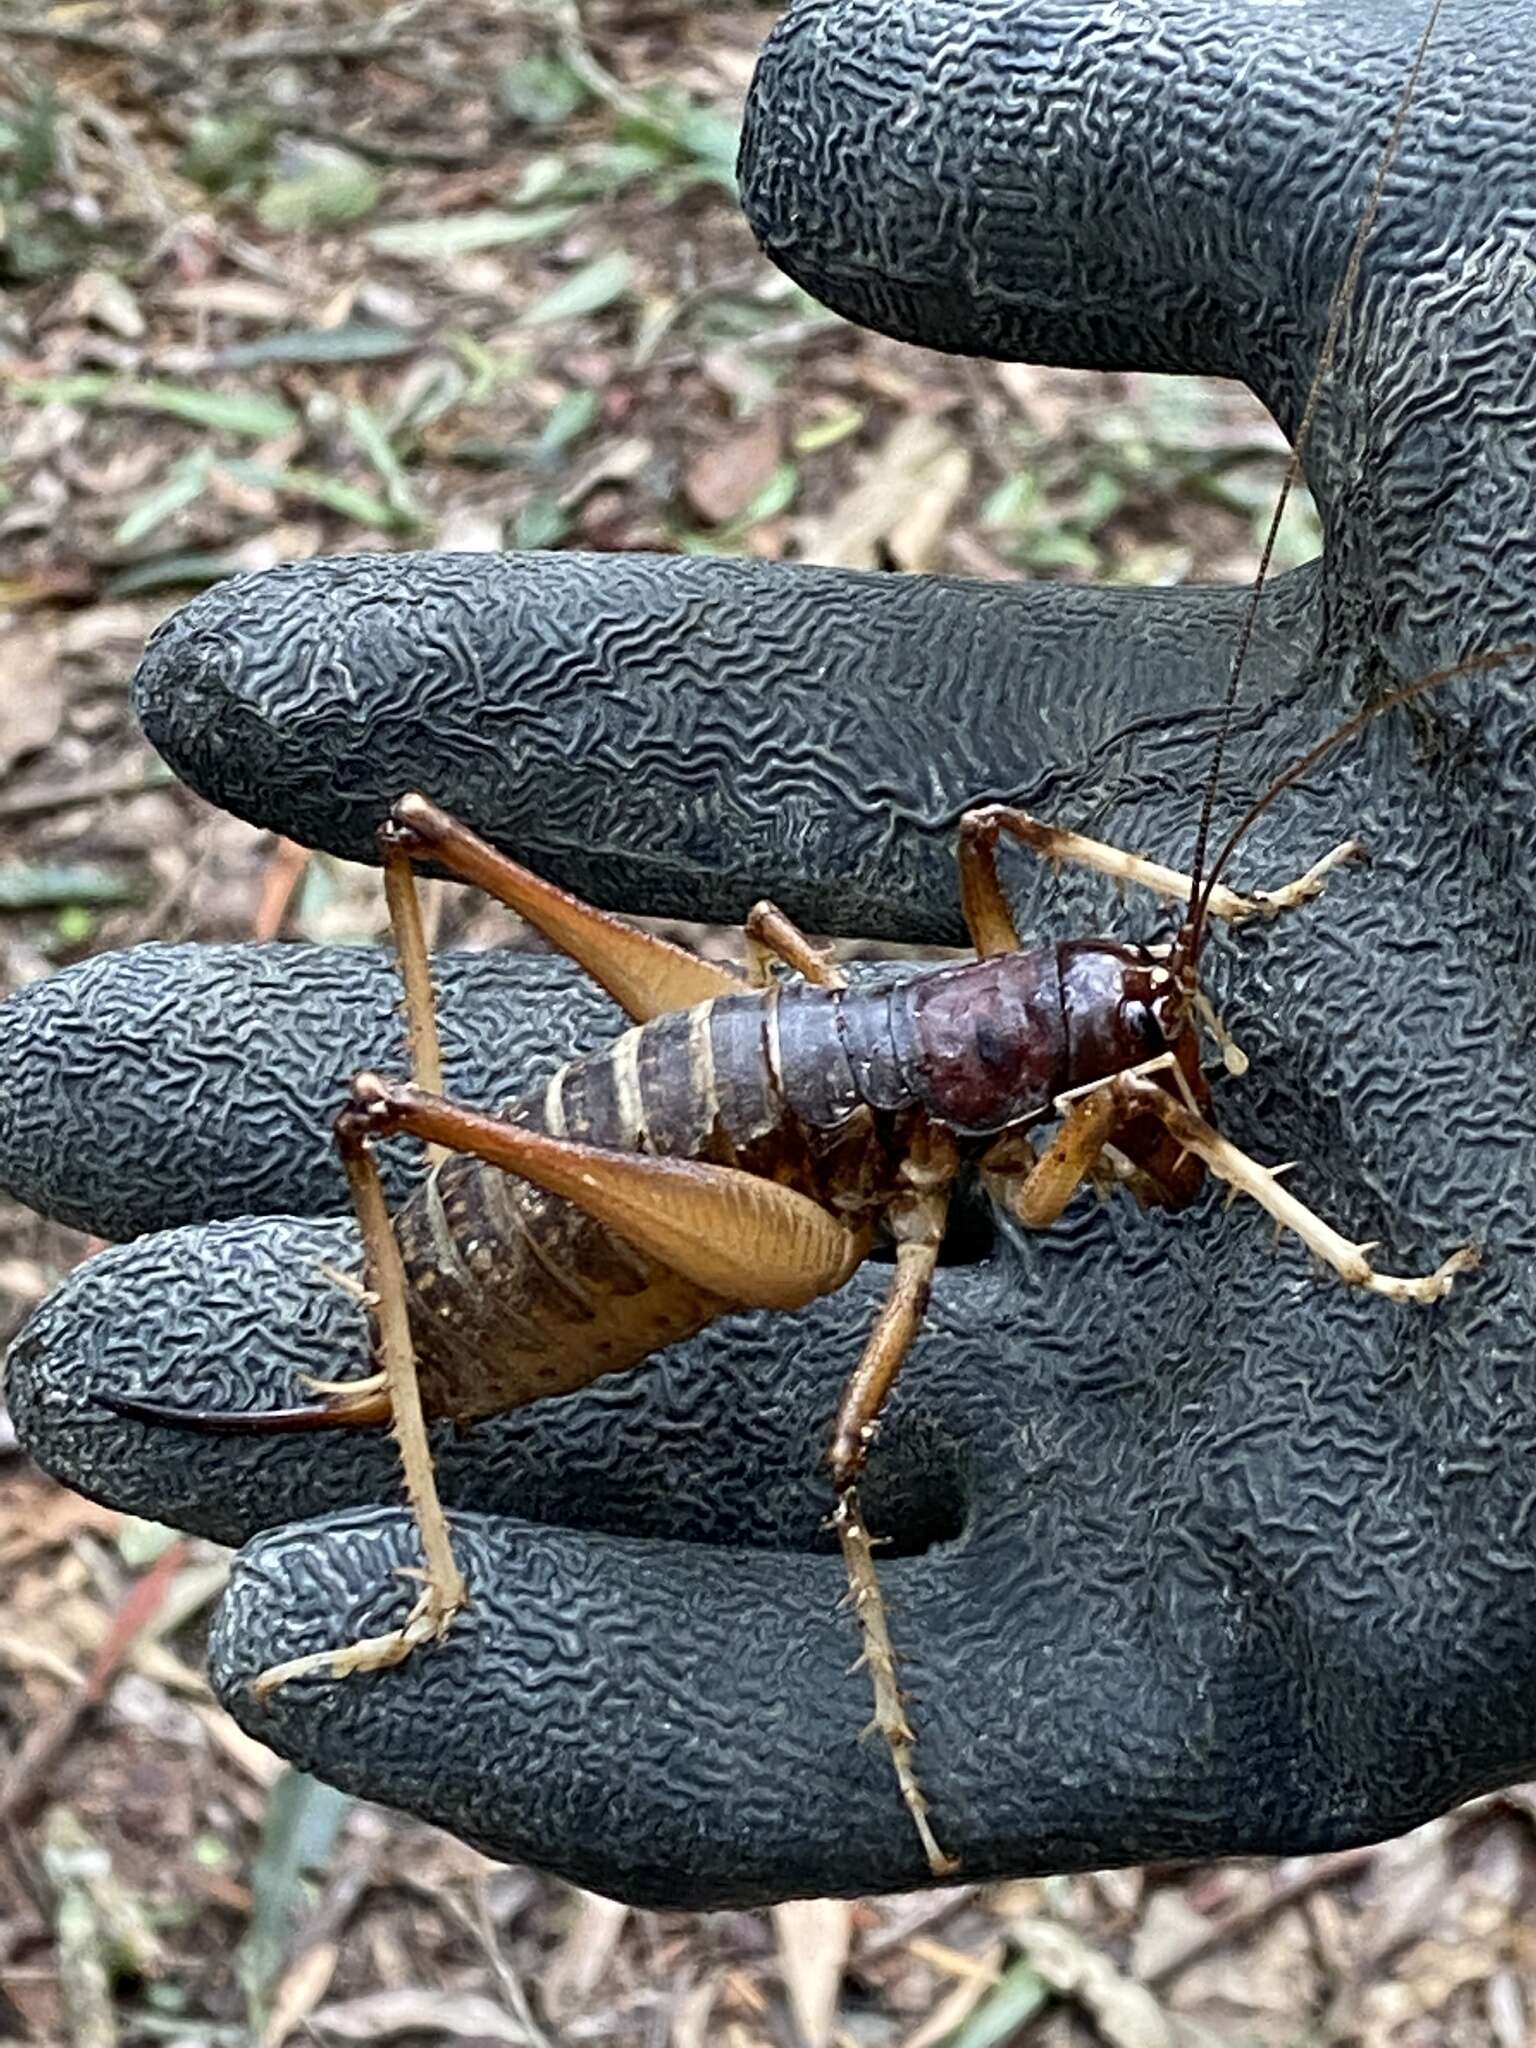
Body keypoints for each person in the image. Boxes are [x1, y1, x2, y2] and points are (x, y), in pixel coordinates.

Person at [5, 0, 1534, 1908]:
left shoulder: (1024, 1003)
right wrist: (1367, 1261)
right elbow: (899, 1372)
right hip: (698, 1193)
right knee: (505, 976)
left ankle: (419, 1213)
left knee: (802, 946)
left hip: (788, 1073)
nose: (1143, 1025)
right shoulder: (1002, 1128)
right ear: (1035, 1057)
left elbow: (1031, 893)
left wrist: (1216, 931)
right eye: (1120, 999)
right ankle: (434, 1534)